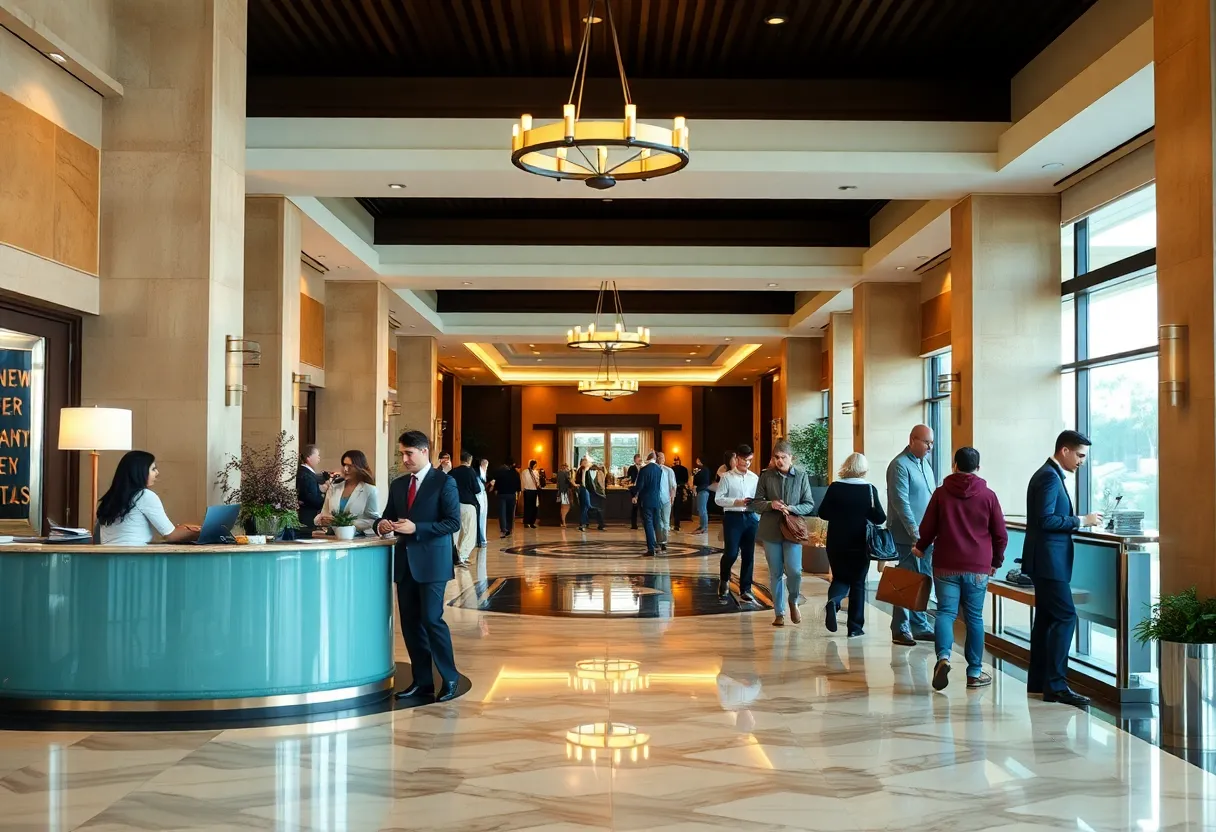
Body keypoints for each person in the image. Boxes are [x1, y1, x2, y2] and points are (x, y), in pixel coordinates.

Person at [913, 447, 1008, 691]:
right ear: (978, 467)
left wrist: (921, 547)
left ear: (954, 465)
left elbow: (928, 527)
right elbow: (1000, 534)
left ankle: (943, 657)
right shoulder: (988, 496)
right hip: (977, 567)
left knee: (946, 612)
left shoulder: (941, 494)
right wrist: (996, 562)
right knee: (974, 618)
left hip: (946, 564)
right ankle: (974, 673)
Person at [377, 430, 462, 703]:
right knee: (411, 624)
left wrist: (418, 528)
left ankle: (449, 677)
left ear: (424, 452)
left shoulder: (444, 483)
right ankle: (422, 681)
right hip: (405, 564)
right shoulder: (399, 484)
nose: (404, 459)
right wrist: (383, 524)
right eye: (401, 453)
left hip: (432, 563)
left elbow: (452, 522)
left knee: (432, 620)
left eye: (409, 453)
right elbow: (388, 515)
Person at [1023, 430, 1103, 709]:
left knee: (1046, 620)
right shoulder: (1048, 476)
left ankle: (1038, 682)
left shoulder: (1048, 474)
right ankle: (1056, 686)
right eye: (1080, 455)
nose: (1082, 461)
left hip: (1045, 561)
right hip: (1048, 562)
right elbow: (1046, 519)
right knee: (1066, 617)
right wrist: (1082, 520)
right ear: (1065, 451)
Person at [817, 452, 886, 637]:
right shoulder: (869, 490)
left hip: (836, 541)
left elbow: (822, 513)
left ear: (846, 467)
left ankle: (834, 600)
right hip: (861, 543)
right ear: (864, 470)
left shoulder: (835, 487)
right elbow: (880, 517)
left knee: (839, 577)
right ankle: (855, 628)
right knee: (858, 583)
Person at [752, 439, 816, 627]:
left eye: (783, 457)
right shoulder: (766, 476)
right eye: (776, 458)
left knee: (795, 571)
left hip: (792, 530)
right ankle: (779, 612)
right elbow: (755, 503)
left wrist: (793, 508)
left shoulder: (802, 477)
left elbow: (809, 504)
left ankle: (793, 600)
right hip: (770, 530)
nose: (780, 461)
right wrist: (770, 504)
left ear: (791, 458)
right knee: (776, 573)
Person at [886, 424, 937, 647]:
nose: (930, 447)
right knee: (906, 580)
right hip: (907, 536)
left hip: (928, 536)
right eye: (926, 442)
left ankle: (919, 624)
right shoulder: (899, 465)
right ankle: (900, 628)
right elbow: (901, 503)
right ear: (912, 440)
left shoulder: (925, 464)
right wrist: (915, 533)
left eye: (932, 443)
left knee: (924, 579)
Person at [96, 451, 200, 545]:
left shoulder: (109, 498)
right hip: (134, 559)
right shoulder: (144, 495)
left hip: (108, 560)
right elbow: (171, 535)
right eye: (153, 469)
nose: (157, 473)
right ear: (140, 471)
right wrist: (202, 533)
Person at [715, 444, 760, 601]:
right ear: (737, 458)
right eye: (743, 459)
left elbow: (758, 499)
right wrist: (737, 502)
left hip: (751, 518)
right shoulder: (727, 477)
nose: (746, 463)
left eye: (749, 460)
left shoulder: (754, 478)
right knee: (731, 553)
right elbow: (718, 499)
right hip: (733, 518)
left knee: (749, 555)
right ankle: (724, 579)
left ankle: (745, 589)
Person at [315, 450, 381, 534]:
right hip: (333, 537)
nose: (346, 469)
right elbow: (324, 513)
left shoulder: (369, 490)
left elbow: (373, 520)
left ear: (359, 467)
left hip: (359, 539)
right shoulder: (334, 487)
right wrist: (323, 520)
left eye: (350, 466)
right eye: (344, 465)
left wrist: (345, 522)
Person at [447, 451, 483, 567]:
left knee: (456, 531)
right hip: (468, 504)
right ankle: (462, 556)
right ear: (469, 460)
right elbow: (477, 489)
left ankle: (454, 556)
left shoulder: (453, 471)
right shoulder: (470, 472)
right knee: (469, 531)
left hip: (454, 504)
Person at [633, 452, 664, 556]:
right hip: (656, 500)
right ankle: (657, 545)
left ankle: (651, 549)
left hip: (646, 500)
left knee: (648, 524)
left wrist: (635, 494)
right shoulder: (659, 470)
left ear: (648, 458)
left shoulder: (644, 470)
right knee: (656, 523)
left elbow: (640, 485)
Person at [296, 444, 331, 530]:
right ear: (308, 457)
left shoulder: (308, 473)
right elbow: (312, 499)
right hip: (307, 515)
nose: (319, 458)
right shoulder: (306, 474)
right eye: (317, 455)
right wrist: (327, 502)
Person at [493, 458, 521, 538]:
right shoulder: (515, 473)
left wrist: (496, 490)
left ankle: (503, 529)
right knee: (510, 512)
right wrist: (518, 494)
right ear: (513, 464)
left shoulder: (500, 472)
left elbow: (497, 483)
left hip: (502, 494)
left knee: (502, 513)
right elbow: (518, 486)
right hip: (511, 495)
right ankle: (509, 528)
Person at [655, 451, 677, 550]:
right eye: (660, 457)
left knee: (666, 521)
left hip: (666, 499)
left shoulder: (669, 470)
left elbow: (673, 485)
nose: (662, 459)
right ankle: (660, 540)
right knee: (659, 521)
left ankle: (664, 541)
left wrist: (672, 497)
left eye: (663, 457)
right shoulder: (653, 470)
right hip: (656, 499)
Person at [579, 458, 607, 531]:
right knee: (590, 508)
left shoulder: (596, 472)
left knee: (589, 508)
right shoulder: (584, 471)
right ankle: (587, 523)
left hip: (594, 493)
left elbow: (601, 483)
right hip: (592, 492)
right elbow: (584, 483)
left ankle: (586, 523)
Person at [692, 456, 712, 534]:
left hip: (703, 490)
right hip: (703, 490)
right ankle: (702, 526)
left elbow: (698, 480)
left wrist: (695, 474)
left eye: (697, 459)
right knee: (702, 509)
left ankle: (703, 527)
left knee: (702, 509)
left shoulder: (703, 469)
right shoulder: (704, 469)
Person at [522, 459, 542, 529]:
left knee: (534, 508)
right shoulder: (525, 472)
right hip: (527, 490)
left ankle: (532, 522)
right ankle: (526, 522)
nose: (535, 466)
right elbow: (523, 481)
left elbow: (538, 481)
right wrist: (522, 490)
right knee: (527, 507)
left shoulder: (536, 472)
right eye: (534, 465)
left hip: (534, 491)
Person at [672, 455, 689, 531]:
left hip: (673, 489)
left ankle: (675, 522)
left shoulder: (671, 469)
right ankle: (677, 523)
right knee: (678, 506)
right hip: (681, 488)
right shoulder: (684, 469)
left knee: (674, 506)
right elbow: (686, 479)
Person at [626, 453, 643, 529]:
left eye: (640, 458)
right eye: (638, 458)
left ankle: (644, 523)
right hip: (634, 488)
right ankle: (634, 524)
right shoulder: (631, 468)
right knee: (634, 507)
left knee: (643, 507)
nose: (640, 460)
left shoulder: (644, 467)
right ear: (635, 460)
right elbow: (628, 478)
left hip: (642, 489)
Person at [476, 458, 489, 547]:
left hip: (482, 495)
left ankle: (481, 539)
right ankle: (481, 539)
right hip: (479, 496)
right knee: (481, 516)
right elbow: (480, 487)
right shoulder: (478, 474)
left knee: (482, 516)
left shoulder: (482, 473)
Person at [555, 462, 573, 528]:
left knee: (562, 507)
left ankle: (562, 521)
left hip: (560, 491)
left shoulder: (559, 473)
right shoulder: (566, 473)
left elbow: (558, 483)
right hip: (565, 491)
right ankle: (563, 522)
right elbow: (570, 480)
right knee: (565, 507)